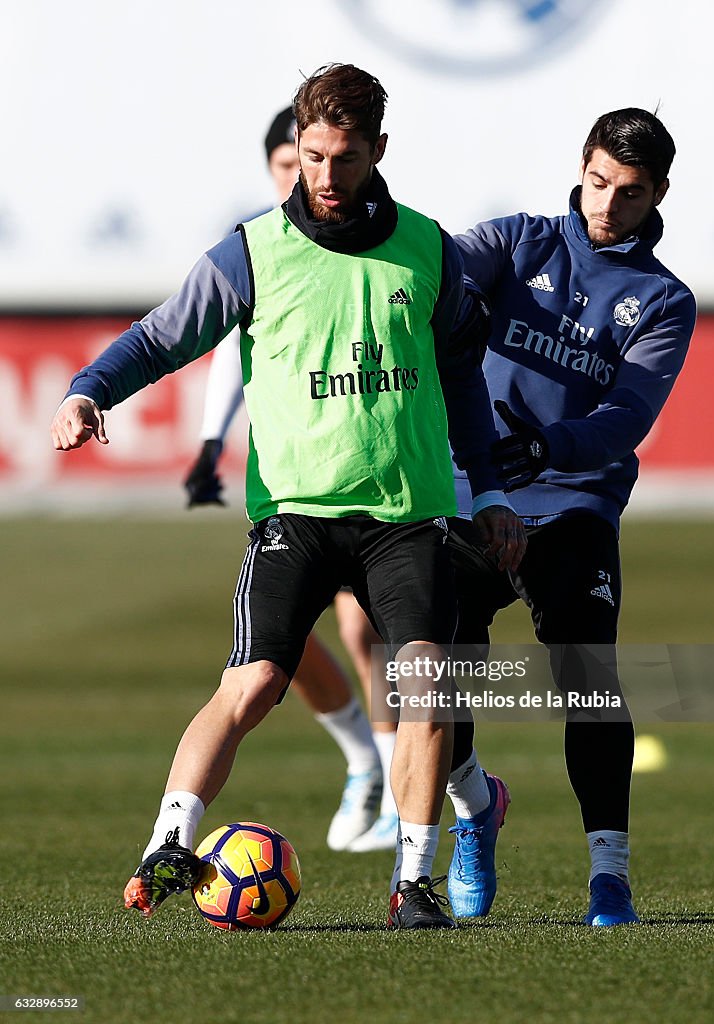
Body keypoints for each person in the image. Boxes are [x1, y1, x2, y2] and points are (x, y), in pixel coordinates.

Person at [50, 63, 523, 930]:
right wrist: (89, 390)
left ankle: (412, 883)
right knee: (256, 679)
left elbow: (462, 383)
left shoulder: (428, 250)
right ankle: (167, 845)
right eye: (311, 157)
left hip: (406, 519)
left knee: (422, 686)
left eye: (345, 158)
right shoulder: (251, 252)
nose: (326, 177)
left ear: (378, 150)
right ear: (295, 149)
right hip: (295, 519)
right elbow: (160, 337)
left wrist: (488, 492)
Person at [448, 107, 696, 926]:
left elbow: (627, 417)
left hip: (573, 502)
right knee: (429, 674)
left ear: (658, 192)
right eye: (596, 182)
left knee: (587, 680)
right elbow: (426, 273)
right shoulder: (517, 242)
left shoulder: (662, 299)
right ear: (581, 166)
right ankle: (474, 809)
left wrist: (547, 445)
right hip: (470, 494)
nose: (606, 205)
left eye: (628, 193)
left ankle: (609, 876)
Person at [184, 106, 392, 853]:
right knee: (279, 645)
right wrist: (211, 443)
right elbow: (222, 350)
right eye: (292, 163)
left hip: (371, 475)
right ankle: (363, 757)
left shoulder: (382, 239)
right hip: (289, 477)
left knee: (366, 627)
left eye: (326, 160)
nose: (309, 178)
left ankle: (402, 779)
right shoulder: (256, 249)